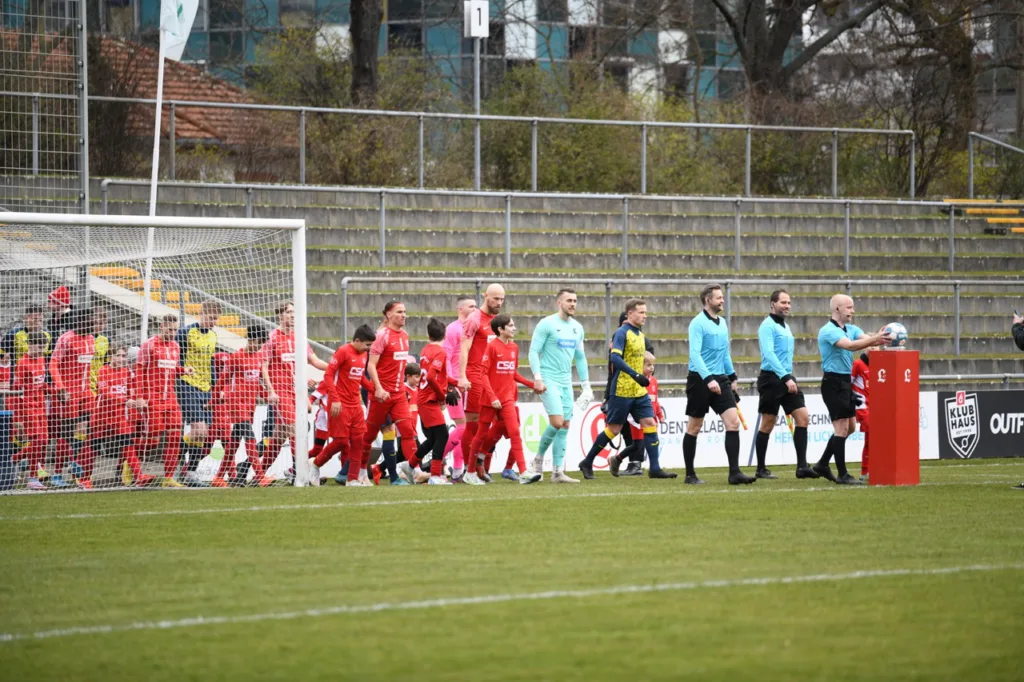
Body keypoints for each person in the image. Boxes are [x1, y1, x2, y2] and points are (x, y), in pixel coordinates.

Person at [579, 299, 676, 480]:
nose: (644, 316)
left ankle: (654, 468)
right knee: (614, 429)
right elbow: (615, 359)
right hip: (623, 389)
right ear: (630, 313)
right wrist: (635, 374)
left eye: (645, 312)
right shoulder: (621, 334)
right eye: (641, 312)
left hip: (639, 391)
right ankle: (587, 461)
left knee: (649, 423)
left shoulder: (640, 335)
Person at [681, 285, 754, 485]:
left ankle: (734, 473)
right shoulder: (697, 323)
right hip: (700, 380)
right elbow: (694, 355)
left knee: (733, 422)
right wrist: (708, 379)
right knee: (694, 427)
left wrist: (732, 376)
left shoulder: (722, 322)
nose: (722, 301)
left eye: (722, 297)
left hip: (720, 378)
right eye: (719, 298)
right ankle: (690, 474)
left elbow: (724, 353)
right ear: (707, 300)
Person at [815, 294, 889, 485]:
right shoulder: (828, 331)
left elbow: (865, 340)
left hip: (844, 382)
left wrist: (878, 338)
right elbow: (850, 346)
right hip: (833, 382)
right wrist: (875, 339)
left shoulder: (852, 328)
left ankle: (823, 463)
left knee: (850, 427)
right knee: (841, 428)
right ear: (837, 309)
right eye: (849, 307)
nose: (852, 311)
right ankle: (842, 474)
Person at [527, 289, 591, 484]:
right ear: (559, 303)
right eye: (569, 300)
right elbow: (533, 352)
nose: (573, 304)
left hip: (565, 381)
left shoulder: (577, 328)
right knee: (556, 421)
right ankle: (537, 460)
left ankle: (557, 472)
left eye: (575, 301)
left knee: (565, 425)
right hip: (548, 378)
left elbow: (580, 357)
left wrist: (586, 384)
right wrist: (538, 378)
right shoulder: (547, 324)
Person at [471, 314, 542, 485]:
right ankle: (470, 471)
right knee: (480, 434)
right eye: (510, 326)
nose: (514, 328)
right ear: (500, 329)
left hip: (508, 399)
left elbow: (513, 373)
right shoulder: (492, 347)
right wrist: (492, 397)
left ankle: (523, 472)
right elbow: (483, 374)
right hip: (490, 400)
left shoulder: (514, 348)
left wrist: (532, 385)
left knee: (515, 432)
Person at [262, 300, 328, 481]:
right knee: (296, 429)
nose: (292, 315)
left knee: (278, 438)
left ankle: (256, 472)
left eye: (293, 312)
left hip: (297, 392)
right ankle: (302, 473)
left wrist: (334, 366)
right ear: (280, 315)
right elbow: (264, 366)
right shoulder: (272, 337)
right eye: (288, 312)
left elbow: (314, 360)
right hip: (280, 392)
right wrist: (270, 391)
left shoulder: (299, 337)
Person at [754, 289, 817, 480]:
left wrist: (788, 376)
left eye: (789, 303)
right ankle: (761, 468)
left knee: (803, 417)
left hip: (786, 377)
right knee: (768, 423)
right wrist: (785, 377)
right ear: (773, 304)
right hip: (772, 379)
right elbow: (769, 354)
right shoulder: (767, 326)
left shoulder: (785, 326)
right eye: (783, 302)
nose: (787, 306)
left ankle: (802, 466)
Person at [361, 301, 419, 486]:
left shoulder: (405, 335)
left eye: (405, 312)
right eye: (399, 312)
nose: (404, 315)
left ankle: (413, 471)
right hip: (381, 395)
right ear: (388, 315)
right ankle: (361, 472)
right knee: (369, 436)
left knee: (408, 431)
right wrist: (378, 388)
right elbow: (371, 365)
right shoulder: (382, 336)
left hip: (398, 393)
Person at [312, 324, 376, 487]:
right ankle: (315, 465)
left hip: (355, 405)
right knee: (341, 442)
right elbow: (328, 374)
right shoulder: (343, 352)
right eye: (367, 345)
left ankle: (352, 479)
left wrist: (373, 389)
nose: (369, 348)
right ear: (356, 341)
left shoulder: (364, 354)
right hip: (340, 405)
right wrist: (335, 399)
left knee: (359, 440)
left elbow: (359, 376)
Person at [136, 314, 192, 488]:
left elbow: (172, 367)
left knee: (175, 436)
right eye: (170, 330)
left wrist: (183, 370)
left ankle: (168, 478)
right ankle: (130, 464)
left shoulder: (175, 346)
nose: (173, 333)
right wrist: (139, 396)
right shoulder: (149, 345)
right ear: (162, 327)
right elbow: (139, 369)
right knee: (152, 438)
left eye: (175, 330)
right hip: (152, 397)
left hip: (171, 398)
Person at [458, 284, 505, 484]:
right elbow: (464, 348)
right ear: (486, 297)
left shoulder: (496, 321)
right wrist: (462, 376)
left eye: (502, 299)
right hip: (474, 376)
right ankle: (472, 471)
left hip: (490, 379)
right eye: (495, 299)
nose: (499, 303)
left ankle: (481, 465)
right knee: (474, 425)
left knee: (500, 423)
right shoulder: (474, 319)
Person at [91, 343, 153, 488]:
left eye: (123, 356)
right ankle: (84, 477)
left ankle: (139, 476)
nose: (121, 359)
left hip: (119, 416)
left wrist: (138, 401)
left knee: (128, 445)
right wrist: (125, 400)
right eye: (117, 355)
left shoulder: (126, 372)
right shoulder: (103, 370)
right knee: (93, 447)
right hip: (102, 415)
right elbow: (105, 394)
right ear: (110, 356)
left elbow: (132, 390)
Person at [176, 300, 222, 487]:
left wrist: (215, 387)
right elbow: (176, 360)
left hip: (205, 388)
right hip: (187, 385)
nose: (214, 322)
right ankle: (187, 471)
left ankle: (185, 470)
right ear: (202, 314)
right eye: (211, 318)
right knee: (200, 430)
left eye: (216, 319)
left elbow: (210, 362)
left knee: (202, 434)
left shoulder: (212, 335)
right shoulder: (185, 333)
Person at [49, 308, 96, 488]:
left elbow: (87, 367)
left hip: (85, 392)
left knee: (87, 427)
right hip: (68, 392)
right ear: (80, 322)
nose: (92, 326)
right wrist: (61, 388)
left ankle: (75, 461)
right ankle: (58, 473)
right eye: (89, 323)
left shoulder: (91, 339)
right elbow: (53, 364)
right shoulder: (66, 339)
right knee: (66, 433)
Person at [411, 318, 459, 486]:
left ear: (427, 335)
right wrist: (441, 396)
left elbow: (440, 376)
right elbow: (431, 376)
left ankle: (409, 466)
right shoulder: (440, 352)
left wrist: (457, 383)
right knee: (442, 435)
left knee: (432, 438)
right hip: (429, 399)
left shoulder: (426, 350)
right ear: (444, 334)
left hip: (423, 397)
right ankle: (435, 475)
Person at [608, 352, 663, 476]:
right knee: (640, 443)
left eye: (652, 365)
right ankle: (637, 465)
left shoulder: (654, 381)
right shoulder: (636, 382)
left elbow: (655, 400)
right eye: (648, 365)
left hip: (649, 418)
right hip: (637, 418)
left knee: (639, 444)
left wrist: (659, 413)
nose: (652, 368)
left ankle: (617, 459)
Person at [443, 296, 476, 481]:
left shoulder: (471, 330)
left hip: (468, 384)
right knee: (462, 427)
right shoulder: (453, 329)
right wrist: (450, 384)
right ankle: (438, 460)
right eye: (471, 306)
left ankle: (457, 470)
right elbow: (445, 356)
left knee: (465, 428)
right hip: (455, 385)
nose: (475, 309)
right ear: (460, 309)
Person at [11, 331, 50, 490]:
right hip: (27, 407)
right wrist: (17, 418)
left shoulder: (42, 359)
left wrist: (56, 391)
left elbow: (41, 384)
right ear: (30, 344)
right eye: (38, 346)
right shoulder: (22, 364)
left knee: (44, 441)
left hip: (41, 406)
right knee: (38, 441)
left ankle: (13, 459)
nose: (40, 350)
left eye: (43, 347)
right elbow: (15, 391)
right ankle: (33, 478)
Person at [851, 352, 870, 483]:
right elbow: (848, 381)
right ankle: (865, 471)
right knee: (873, 435)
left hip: (875, 407)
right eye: (872, 346)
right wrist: (851, 397)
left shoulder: (880, 365)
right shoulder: (858, 364)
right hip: (862, 406)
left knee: (872, 439)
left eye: (876, 346)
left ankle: (868, 471)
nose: (874, 349)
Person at [89, 307, 111, 396]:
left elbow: (107, 363)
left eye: (103, 323)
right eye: (97, 323)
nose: (100, 326)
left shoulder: (106, 340)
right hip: (85, 381)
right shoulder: (82, 338)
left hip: (99, 381)